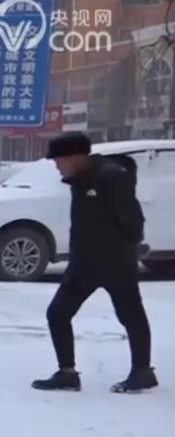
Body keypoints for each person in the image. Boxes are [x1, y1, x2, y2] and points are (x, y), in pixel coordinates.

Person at [32, 132, 157, 393]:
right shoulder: (80, 179)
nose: (56, 166)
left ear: (76, 157)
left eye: (59, 160)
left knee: (131, 316)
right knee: (58, 313)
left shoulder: (112, 178)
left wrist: (128, 248)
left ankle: (142, 372)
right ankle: (67, 373)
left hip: (115, 262)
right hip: (84, 263)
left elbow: (132, 219)